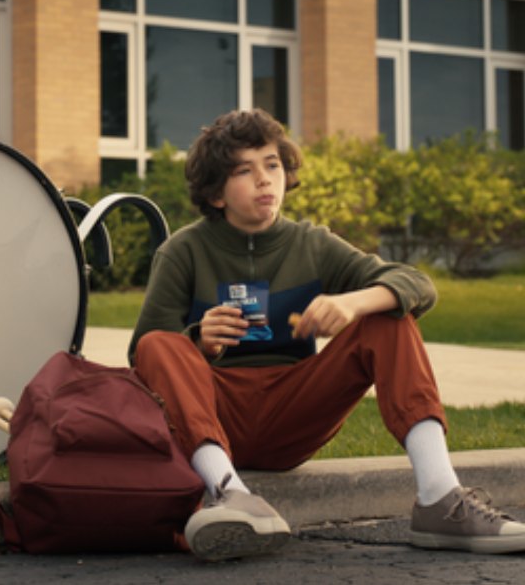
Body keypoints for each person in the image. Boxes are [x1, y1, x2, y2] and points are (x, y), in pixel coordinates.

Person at [129, 108, 525, 562]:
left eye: (272, 164)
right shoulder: (183, 251)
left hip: (294, 408)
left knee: (388, 315)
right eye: (244, 170)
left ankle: (440, 497)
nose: (264, 180)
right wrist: (198, 343)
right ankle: (228, 494)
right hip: (215, 410)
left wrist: (351, 302)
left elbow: (419, 285)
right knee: (159, 343)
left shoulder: (311, 244)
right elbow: (142, 356)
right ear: (216, 194)